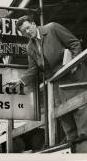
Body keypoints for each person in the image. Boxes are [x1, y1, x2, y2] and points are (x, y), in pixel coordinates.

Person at [5, 15, 87, 143]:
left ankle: (84, 137)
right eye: (23, 31)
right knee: (62, 111)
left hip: (72, 74)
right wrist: (20, 81)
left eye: (27, 27)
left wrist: (74, 64)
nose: (27, 32)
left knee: (79, 106)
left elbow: (74, 43)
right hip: (56, 80)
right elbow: (33, 69)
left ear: (33, 24)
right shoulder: (30, 47)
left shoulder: (52, 28)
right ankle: (73, 140)